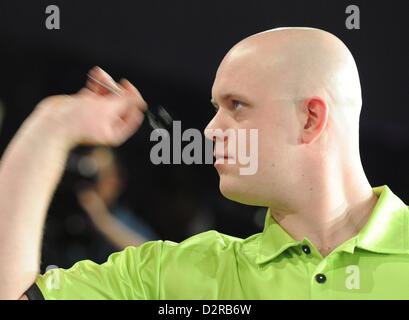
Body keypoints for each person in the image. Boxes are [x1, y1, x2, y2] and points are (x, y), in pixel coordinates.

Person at [0, 27, 407, 300]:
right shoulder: (173, 276)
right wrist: (50, 129)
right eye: (216, 107)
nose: (210, 131)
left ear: (310, 118)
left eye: (237, 105)